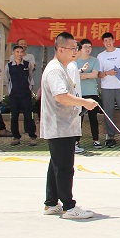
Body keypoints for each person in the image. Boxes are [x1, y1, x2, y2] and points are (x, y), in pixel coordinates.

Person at [41, 32, 99, 220]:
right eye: (73, 48)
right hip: (59, 126)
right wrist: (84, 102)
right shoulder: (55, 70)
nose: (76, 51)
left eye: (76, 48)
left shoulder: (64, 68)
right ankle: (68, 207)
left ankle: (51, 203)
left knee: (56, 165)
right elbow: (61, 96)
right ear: (60, 49)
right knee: (65, 167)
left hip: (63, 124)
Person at [5, 45, 37, 146]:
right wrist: (10, 91)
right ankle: (16, 137)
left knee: (28, 115)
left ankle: (32, 136)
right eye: (17, 52)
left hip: (25, 94)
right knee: (14, 116)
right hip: (14, 94)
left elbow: (30, 77)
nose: (19, 54)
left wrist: (29, 90)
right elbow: (7, 79)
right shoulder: (9, 66)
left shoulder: (27, 64)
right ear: (13, 53)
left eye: (21, 52)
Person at [75, 39, 102, 148]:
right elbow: (73, 76)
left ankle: (96, 139)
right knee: (79, 118)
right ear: (80, 48)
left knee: (93, 117)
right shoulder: (75, 60)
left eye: (90, 47)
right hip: (78, 93)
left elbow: (95, 75)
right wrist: (87, 75)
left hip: (92, 92)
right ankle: (76, 141)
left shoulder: (95, 60)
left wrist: (80, 76)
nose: (88, 49)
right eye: (85, 46)